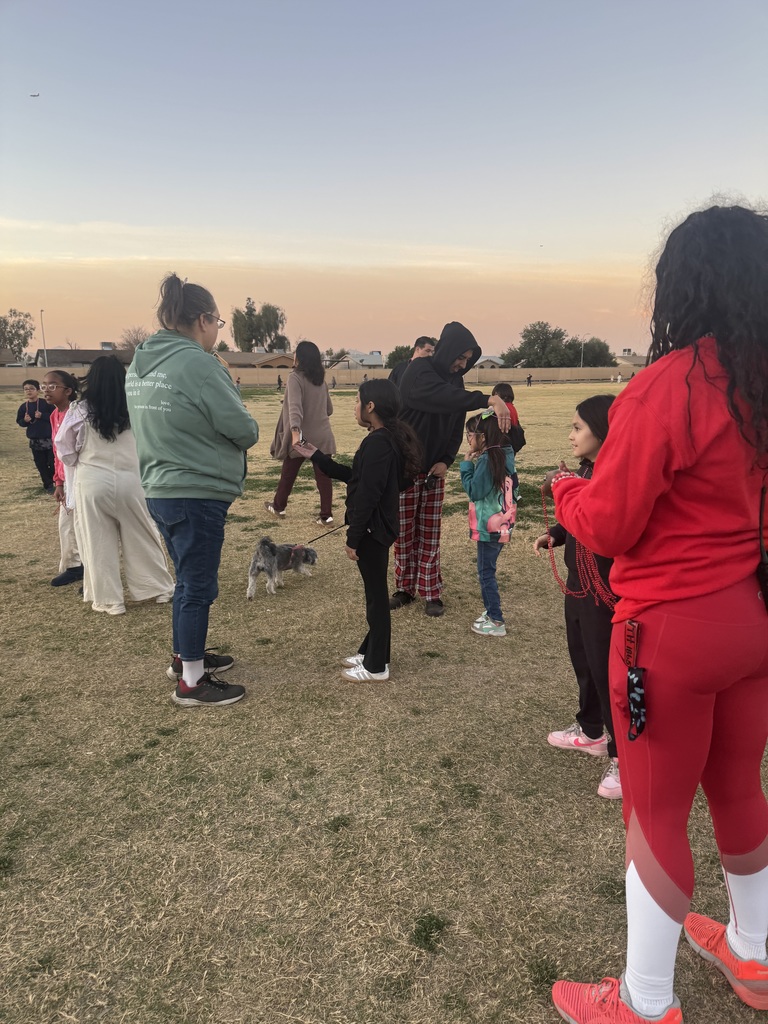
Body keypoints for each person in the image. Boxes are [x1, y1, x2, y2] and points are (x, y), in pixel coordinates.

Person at [546, 205, 768, 1023]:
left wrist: (567, 490)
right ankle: (755, 955)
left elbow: (609, 522)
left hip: (667, 634)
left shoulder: (670, 384)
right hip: (752, 620)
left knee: (657, 811)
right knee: (741, 786)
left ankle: (645, 1002)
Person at [126, 273, 259, 708]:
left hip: (160, 487)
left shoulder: (141, 363)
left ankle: (186, 658)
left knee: (187, 580)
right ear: (203, 319)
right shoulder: (198, 364)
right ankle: (192, 683)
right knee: (198, 585)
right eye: (218, 323)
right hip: (196, 488)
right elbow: (244, 429)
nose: (216, 333)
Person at [294, 379, 422, 681]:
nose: (354, 407)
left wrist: (353, 538)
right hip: (376, 529)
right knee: (374, 595)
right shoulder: (383, 438)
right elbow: (358, 477)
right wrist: (318, 457)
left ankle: (377, 666)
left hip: (372, 532)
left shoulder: (379, 442)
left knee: (376, 597)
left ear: (371, 406)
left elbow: (368, 494)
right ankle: (370, 651)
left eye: (356, 400)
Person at [534, 395, 621, 801]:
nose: (570, 435)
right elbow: (577, 514)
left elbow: (603, 520)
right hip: (578, 585)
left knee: (609, 668)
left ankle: (625, 756)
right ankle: (590, 730)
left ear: (602, 432)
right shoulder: (586, 469)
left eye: (577, 428)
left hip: (606, 589)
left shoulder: (617, 475)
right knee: (582, 656)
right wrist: (557, 534)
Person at [392, 322, 511, 617]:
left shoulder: (455, 383)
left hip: (434, 470)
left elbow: (454, 422)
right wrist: (488, 399)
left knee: (430, 533)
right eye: (460, 356)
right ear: (446, 350)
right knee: (404, 533)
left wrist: (446, 459)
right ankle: (404, 588)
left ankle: (431, 591)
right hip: (405, 467)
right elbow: (441, 398)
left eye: (468, 359)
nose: (462, 364)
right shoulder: (419, 371)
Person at [55, 356, 174, 616]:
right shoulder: (136, 405)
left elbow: (63, 448)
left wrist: (81, 461)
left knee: (97, 541)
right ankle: (160, 589)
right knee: (143, 534)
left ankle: (110, 601)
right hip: (131, 480)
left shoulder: (78, 409)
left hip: (92, 480)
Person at [459, 410, 516, 637]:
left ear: (482, 436)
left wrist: (466, 465)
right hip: (502, 523)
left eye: (469, 434)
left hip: (488, 526)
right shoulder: (504, 455)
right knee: (487, 570)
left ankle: (496, 619)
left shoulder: (487, 460)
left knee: (485, 572)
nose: (468, 439)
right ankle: (491, 612)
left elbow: (475, 491)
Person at [266, 341, 336, 525]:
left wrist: (295, 431)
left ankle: (278, 507)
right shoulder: (321, 380)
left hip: (302, 438)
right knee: (323, 477)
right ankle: (326, 516)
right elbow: (329, 409)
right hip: (323, 436)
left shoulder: (294, 378)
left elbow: (294, 408)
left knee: (288, 474)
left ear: (300, 357)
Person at [43, 370, 84, 587]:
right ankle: (75, 566)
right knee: (66, 525)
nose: (47, 391)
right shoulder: (53, 415)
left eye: (52, 386)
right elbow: (58, 453)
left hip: (81, 478)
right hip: (66, 481)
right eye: (44, 386)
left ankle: (89, 568)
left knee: (82, 526)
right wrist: (58, 483)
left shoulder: (78, 413)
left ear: (68, 391)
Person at [16, 379, 54, 493]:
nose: (29, 391)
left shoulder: (46, 403)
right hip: (34, 441)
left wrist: (42, 415)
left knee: (53, 463)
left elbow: (55, 417)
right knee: (41, 464)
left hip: (49, 439)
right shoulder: (24, 407)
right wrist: (25, 421)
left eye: (32, 389)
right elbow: (20, 422)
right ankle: (48, 486)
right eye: (26, 389)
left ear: (38, 390)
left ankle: (55, 480)